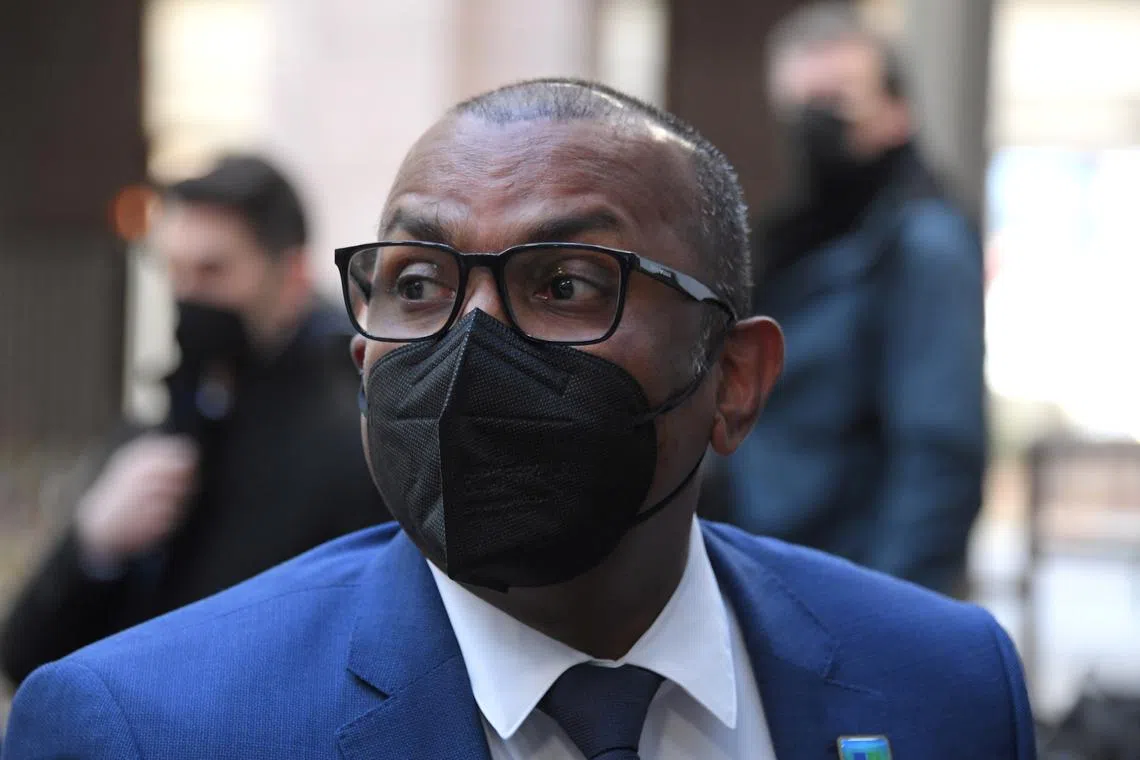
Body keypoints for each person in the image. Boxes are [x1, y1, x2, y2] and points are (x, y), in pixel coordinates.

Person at [2, 80, 1033, 759]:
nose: (471, 344)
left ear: (735, 378)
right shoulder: (149, 726)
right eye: (416, 281)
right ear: (363, 349)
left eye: (570, 284)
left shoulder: (944, 686)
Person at [0, 155, 384, 688]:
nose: (187, 297)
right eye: (174, 272)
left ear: (292, 276)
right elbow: (27, 652)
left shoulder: (359, 440)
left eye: (212, 271)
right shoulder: (170, 417)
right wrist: (94, 546)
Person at [700, 2, 987, 596]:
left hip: (851, 592)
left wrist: (890, 619)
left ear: (896, 113)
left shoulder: (921, 245)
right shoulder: (804, 241)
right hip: (777, 577)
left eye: (838, 103)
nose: (816, 126)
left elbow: (941, 456)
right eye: (801, 108)